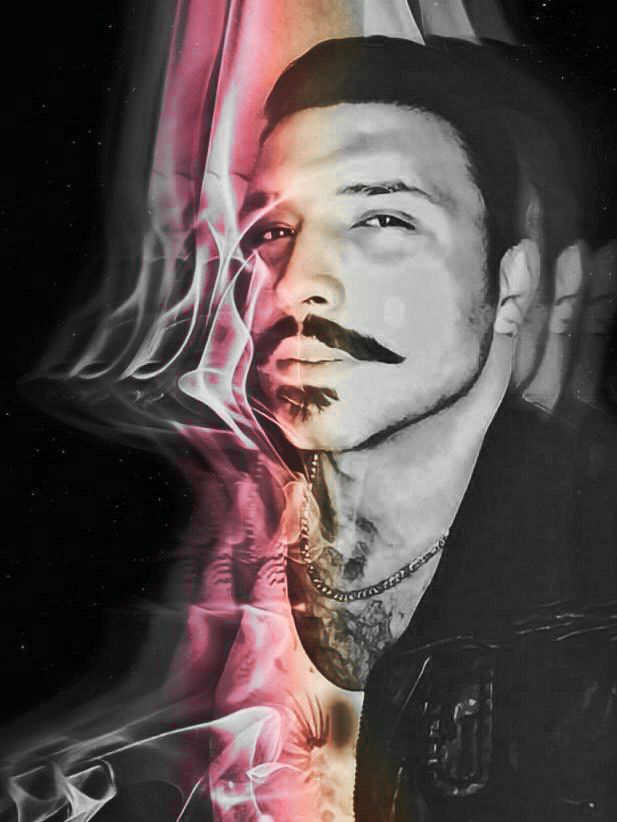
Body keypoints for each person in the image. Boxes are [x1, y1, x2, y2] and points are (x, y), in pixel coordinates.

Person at [5, 34, 616, 822]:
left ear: (511, 285)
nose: (296, 285)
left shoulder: (587, 586)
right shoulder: (165, 547)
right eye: (272, 231)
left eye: (383, 219)